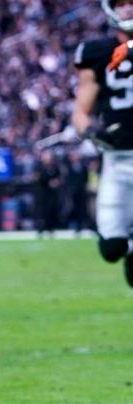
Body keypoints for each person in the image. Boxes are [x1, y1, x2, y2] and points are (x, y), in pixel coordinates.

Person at [73, 0, 133, 285]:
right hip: (116, 159)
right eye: (122, 3)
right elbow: (81, 113)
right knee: (111, 248)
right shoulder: (97, 52)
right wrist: (93, 133)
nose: (128, 9)